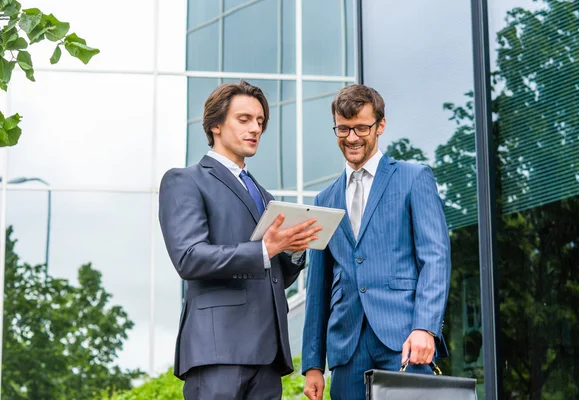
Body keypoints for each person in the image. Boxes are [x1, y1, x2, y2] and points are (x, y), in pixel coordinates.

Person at [159, 80, 321, 400]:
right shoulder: (185, 180)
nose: (256, 129)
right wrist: (263, 249)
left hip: (269, 355)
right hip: (217, 349)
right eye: (244, 119)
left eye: (260, 121)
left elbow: (272, 275)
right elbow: (189, 257)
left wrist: (292, 252)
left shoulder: (265, 196)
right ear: (215, 125)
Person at [302, 84, 451, 400]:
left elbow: (435, 258)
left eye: (361, 128)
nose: (352, 138)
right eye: (343, 129)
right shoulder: (323, 200)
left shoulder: (414, 178)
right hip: (347, 348)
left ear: (380, 125)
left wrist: (426, 327)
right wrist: (313, 364)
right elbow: (317, 287)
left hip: (405, 341)